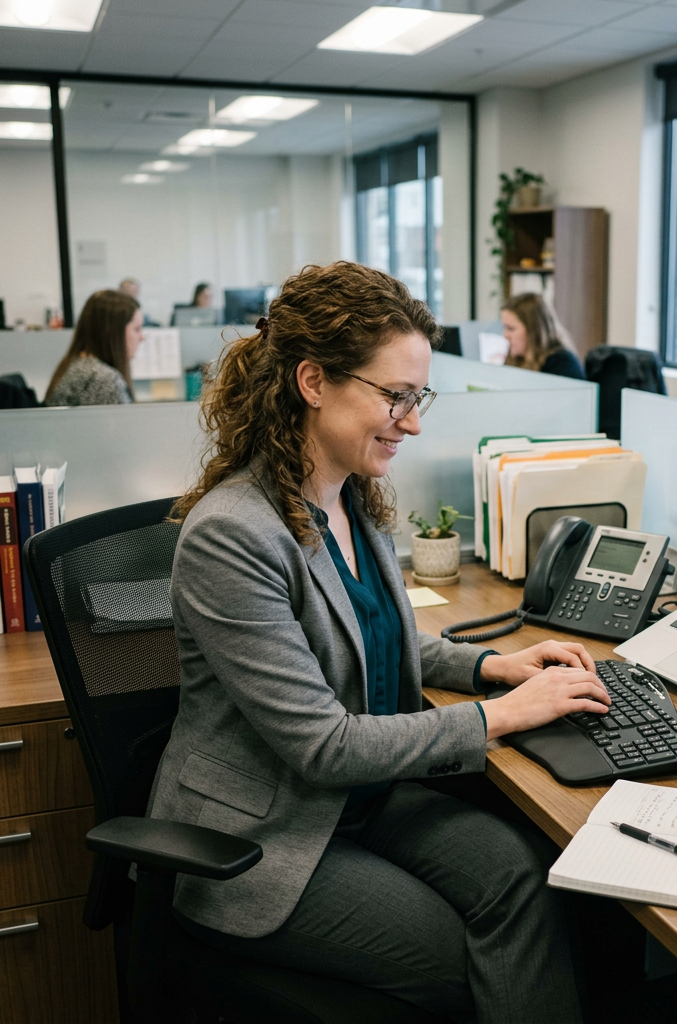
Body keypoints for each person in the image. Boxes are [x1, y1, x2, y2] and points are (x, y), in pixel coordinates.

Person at [150, 261, 609, 1021]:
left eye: (416, 396)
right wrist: (504, 715)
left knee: (523, 876)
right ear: (313, 382)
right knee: (459, 955)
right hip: (266, 835)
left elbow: (378, 643)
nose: (415, 421)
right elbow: (325, 746)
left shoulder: (350, 497)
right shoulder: (233, 535)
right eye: (395, 397)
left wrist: (497, 665)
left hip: (360, 802)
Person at [45, 289, 141, 406]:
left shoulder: (80, 365)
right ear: (114, 333)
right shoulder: (102, 380)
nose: (142, 337)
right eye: (137, 329)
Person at [501, 292, 585, 379]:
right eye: (505, 327)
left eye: (511, 329)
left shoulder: (562, 364)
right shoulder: (515, 358)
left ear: (533, 330)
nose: (505, 335)